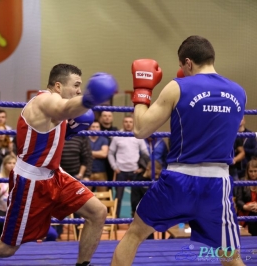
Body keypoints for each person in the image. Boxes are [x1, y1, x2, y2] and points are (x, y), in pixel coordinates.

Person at [0, 63, 117, 266]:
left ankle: (82, 265)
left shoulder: (57, 107)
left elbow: (50, 138)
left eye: (81, 87)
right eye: (76, 85)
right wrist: (89, 99)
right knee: (7, 248)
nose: (79, 90)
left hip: (54, 176)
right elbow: (62, 110)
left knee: (98, 212)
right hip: (31, 183)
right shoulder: (45, 101)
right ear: (58, 86)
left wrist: (69, 131)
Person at [111, 36, 246, 266]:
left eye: (182, 66)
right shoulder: (239, 93)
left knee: (134, 234)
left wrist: (142, 92)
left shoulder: (178, 86)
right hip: (217, 183)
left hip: (179, 181)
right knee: (230, 256)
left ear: (188, 63)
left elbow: (141, 129)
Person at [236, 160, 257, 236]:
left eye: (255, 171)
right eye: (251, 171)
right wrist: (245, 207)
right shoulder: (242, 182)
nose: (253, 174)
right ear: (247, 171)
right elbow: (239, 200)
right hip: (245, 212)